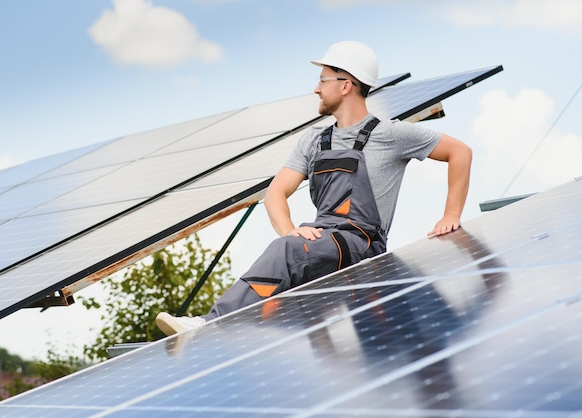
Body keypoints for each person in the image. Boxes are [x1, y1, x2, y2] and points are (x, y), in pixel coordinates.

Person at [156, 40, 472, 336]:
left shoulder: (391, 134)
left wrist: (451, 214)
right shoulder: (313, 141)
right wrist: (289, 230)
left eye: (323, 81)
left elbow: (460, 152)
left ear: (346, 85)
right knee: (291, 307)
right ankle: (237, 334)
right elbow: (275, 194)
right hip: (321, 244)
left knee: (288, 253)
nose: (316, 89)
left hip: (361, 246)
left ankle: (208, 325)